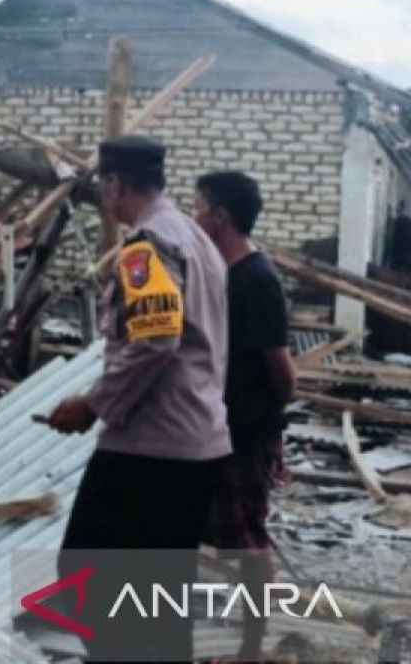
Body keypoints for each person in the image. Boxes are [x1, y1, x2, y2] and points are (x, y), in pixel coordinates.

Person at [46, 136, 232, 662]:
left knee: (85, 576)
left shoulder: (147, 245)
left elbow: (156, 338)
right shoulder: (196, 238)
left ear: (113, 185)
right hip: (197, 441)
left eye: (104, 186)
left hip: (152, 446)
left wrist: (93, 403)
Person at [194, 170, 296, 662]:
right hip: (211, 429)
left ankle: (251, 649)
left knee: (247, 542)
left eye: (199, 208)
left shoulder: (257, 280)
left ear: (221, 217)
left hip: (243, 433)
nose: (194, 217)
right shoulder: (222, 273)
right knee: (214, 536)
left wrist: (270, 436)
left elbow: (282, 372)